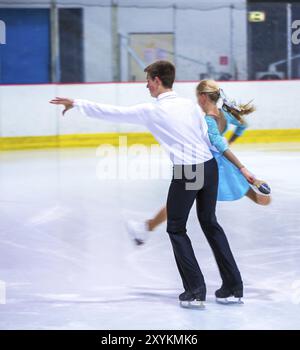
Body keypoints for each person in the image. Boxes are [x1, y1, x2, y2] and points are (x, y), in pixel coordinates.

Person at [50, 61, 251, 306]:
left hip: (189, 171)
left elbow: (114, 112)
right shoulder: (189, 106)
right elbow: (209, 137)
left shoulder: (152, 111)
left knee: (176, 228)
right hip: (209, 168)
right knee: (210, 224)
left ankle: (196, 290)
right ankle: (233, 287)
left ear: (157, 80)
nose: (146, 86)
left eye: (148, 81)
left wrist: (77, 103)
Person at [127, 80, 271, 246]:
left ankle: (145, 228)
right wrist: (230, 144)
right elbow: (242, 126)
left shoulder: (207, 119)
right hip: (222, 166)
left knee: (176, 203)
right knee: (247, 193)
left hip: (197, 162)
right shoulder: (224, 114)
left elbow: (211, 139)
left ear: (203, 97)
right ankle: (261, 197)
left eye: (197, 97)